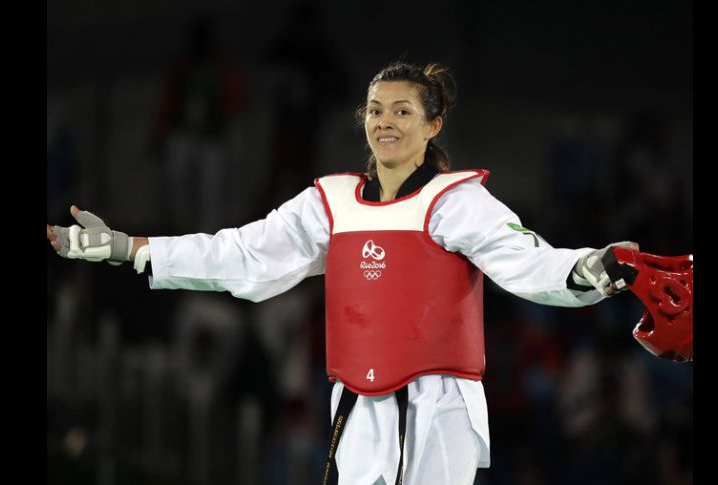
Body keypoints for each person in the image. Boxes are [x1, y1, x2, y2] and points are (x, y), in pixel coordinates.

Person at [47, 62, 637, 485]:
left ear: (433, 126)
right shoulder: (330, 203)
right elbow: (243, 254)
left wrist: (592, 268)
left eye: (403, 110)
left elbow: (529, 261)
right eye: (375, 110)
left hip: (438, 407)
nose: (385, 121)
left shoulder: (457, 201)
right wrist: (131, 248)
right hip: (355, 403)